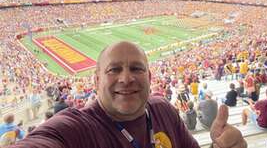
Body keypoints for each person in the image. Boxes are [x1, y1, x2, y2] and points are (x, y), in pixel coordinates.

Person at [8, 41, 247, 148]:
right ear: (97, 80)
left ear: (150, 78)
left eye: (136, 68)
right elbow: (46, 139)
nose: (126, 78)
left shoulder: (163, 109)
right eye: (114, 69)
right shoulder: (77, 126)